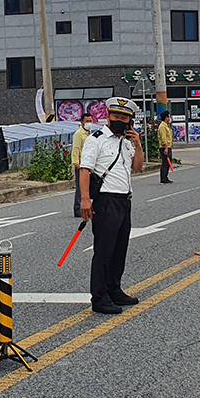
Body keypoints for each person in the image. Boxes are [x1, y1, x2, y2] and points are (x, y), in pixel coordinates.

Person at [79, 97, 144, 314]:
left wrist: (137, 144)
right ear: (108, 117)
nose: (119, 120)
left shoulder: (126, 142)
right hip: (106, 201)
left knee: (119, 250)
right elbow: (85, 169)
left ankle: (114, 289)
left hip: (124, 201)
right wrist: (85, 199)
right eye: (116, 116)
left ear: (130, 121)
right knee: (104, 251)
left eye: (124, 118)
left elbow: (138, 168)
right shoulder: (96, 139)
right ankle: (99, 297)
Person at [71, 112, 92, 217]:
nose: (89, 123)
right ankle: (77, 209)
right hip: (81, 164)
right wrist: (76, 163)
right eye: (87, 121)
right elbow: (76, 148)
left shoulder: (90, 133)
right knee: (80, 187)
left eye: (90, 121)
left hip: (88, 164)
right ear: (82, 122)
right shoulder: (78, 134)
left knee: (87, 187)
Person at [157, 111, 174, 183]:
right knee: (165, 163)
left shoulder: (166, 126)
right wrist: (166, 148)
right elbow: (163, 138)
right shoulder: (162, 126)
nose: (169, 118)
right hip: (164, 147)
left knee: (167, 163)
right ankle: (163, 178)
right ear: (166, 118)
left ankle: (165, 177)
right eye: (169, 117)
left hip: (168, 146)